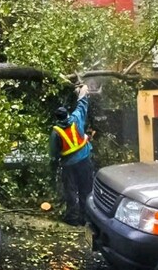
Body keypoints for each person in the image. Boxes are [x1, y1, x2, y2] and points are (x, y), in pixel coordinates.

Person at [49, 84, 94, 227]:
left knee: (71, 191)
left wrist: (54, 164)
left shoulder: (56, 132)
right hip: (85, 160)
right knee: (86, 189)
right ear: (67, 114)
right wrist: (81, 93)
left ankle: (72, 218)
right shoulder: (75, 118)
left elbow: (54, 153)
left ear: (56, 118)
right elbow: (82, 105)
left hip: (69, 165)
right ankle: (86, 217)